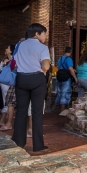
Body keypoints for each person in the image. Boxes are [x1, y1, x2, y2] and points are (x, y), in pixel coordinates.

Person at [13, 23, 50, 152]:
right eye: (44, 33)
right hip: (37, 79)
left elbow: (14, 64)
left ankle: (18, 142)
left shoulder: (19, 45)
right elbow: (46, 66)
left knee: (21, 112)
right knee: (37, 112)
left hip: (21, 79)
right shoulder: (42, 48)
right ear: (37, 34)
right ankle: (38, 145)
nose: (45, 36)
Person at [0, 44, 15, 128]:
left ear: (11, 51)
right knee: (4, 100)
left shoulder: (13, 60)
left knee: (6, 101)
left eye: (8, 48)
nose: (6, 49)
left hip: (8, 83)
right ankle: (2, 120)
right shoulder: (5, 60)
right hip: (2, 83)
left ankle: (5, 121)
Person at [55, 47, 77, 114]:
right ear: (70, 52)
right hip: (66, 79)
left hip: (59, 78)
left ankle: (59, 111)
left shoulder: (60, 59)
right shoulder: (69, 59)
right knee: (65, 94)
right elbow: (70, 69)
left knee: (60, 93)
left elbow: (60, 68)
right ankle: (62, 112)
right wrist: (75, 78)